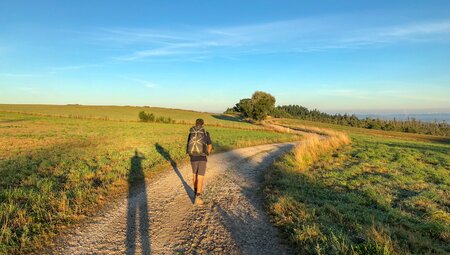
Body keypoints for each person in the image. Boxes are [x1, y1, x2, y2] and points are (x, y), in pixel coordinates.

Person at [186, 118, 212, 205]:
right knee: (200, 176)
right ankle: (198, 197)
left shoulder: (191, 132)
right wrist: (207, 153)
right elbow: (210, 146)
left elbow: (188, 144)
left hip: (193, 156)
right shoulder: (205, 133)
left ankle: (194, 193)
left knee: (194, 175)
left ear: (195, 124)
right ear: (203, 124)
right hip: (202, 157)